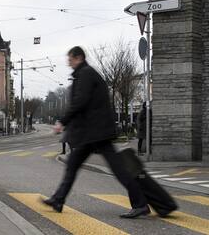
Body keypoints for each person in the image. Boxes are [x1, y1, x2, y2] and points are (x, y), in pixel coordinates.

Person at [43, 46, 150, 219]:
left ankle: (140, 204)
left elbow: (80, 102)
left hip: (97, 132)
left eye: (70, 60)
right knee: (73, 164)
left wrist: (62, 122)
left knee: (118, 169)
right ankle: (58, 199)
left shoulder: (85, 74)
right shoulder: (86, 73)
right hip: (93, 132)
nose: (68, 63)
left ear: (78, 58)